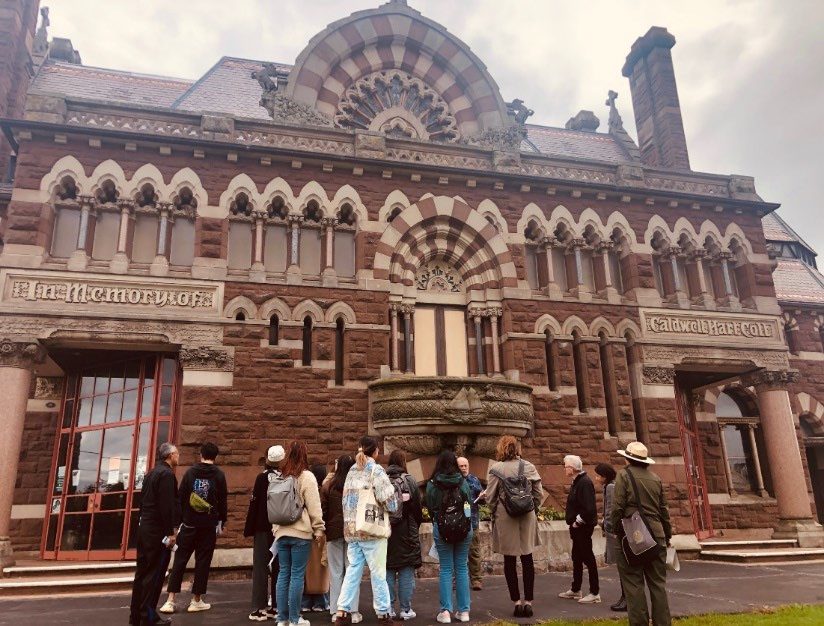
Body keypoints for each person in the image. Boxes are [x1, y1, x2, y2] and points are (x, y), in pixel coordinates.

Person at [334, 436, 399, 626]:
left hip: (352, 530)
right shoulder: (376, 470)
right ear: (376, 451)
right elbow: (389, 501)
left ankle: (341, 612)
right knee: (378, 573)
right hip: (372, 530)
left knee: (353, 571)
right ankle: (383, 614)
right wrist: (393, 504)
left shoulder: (352, 471)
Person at [159, 442, 227, 615]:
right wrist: (221, 522)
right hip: (208, 526)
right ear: (215, 456)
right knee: (203, 562)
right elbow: (223, 501)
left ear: (201, 454)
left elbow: (180, 499)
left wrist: (179, 522)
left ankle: (170, 600)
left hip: (189, 525)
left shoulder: (190, 473)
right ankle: (196, 600)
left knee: (180, 561)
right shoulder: (219, 475)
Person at [611, 442, 673, 626]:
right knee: (658, 584)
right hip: (658, 535)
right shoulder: (655, 478)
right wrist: (667, 536)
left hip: (633, 534)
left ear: (627, 458)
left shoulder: (624, 475)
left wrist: (616, 530)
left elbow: (617, 507)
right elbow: (664, 511)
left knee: (633, 583)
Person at [485, 436, 543, 618]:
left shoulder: (496, 469)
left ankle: (517, 602)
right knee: (527, 558)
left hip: (505, 516)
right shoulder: (529, 466)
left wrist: (495, 512)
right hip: (527, 515)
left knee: (509, 561)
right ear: (517, 448)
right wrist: (532, 507)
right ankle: (529, 602)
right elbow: (538, 493)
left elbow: (490, 497)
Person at [275, 441, 326, 626]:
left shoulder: (279, 476)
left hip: (281, 532)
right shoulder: (307, 477)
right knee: (297, 575)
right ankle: (295, 619)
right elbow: (314, 507)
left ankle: (282, 619)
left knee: (283, 575)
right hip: (301, 533)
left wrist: (276, 529)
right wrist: (318, 528)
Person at [129, 442, 180, 626]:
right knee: (155, 574)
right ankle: (148, 617)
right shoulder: (166, 475)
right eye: (176, 453)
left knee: (141, 573)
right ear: (170, 456)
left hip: (145, 528)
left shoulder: (151, 473)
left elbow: (143, 502)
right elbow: (167, 506)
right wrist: (171, 533)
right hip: (157, 531)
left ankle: (136, 616)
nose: (178, 457)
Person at [425, 450, 473, 624]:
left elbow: (430, 507)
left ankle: (445, 612)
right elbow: (468, 503)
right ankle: (464, 611)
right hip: (463, 528)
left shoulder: (432, 484)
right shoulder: (462, 482)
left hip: (442, 528)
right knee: (461, 567)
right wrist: (466, 522)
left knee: (445, 569)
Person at [244, 445, 285, 622]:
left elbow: (254, 504)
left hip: (262, 527)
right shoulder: (285, 478)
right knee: (278, 566)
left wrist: (249, 528)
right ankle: (276, 606)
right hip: (280, 527)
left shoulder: (261, 478)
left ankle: (259, 608)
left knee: (260, 567)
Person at [321, 455, 362, 624]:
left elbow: (322, 511)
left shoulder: (328, 486)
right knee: (352, 571)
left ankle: (335, 610)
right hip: (353, 533)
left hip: (333, 532)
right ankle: (353, 611)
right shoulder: (357, 485)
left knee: (336, 572)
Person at [386, 450, 423, 620]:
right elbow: (418, 508)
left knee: (388, 569)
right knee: (406, 569)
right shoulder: (409, 480)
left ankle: (388, 608)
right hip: (407, 529)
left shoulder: (382, 479)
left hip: (386, 531)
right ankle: (406, 609)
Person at [559, 454, 600, 604]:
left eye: (566, 466)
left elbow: (589, 508)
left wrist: (577, 522)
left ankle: (595, 592)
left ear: (572, 468)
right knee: (576, 557)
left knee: (588, 558)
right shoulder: (577, 482)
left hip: (582, 528)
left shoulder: (584, 483)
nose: (564, 469)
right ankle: (576, 589)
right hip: (577, 528)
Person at [594, 462, 625, 612]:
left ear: (604, 476)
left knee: (622, 565)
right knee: (620, 566)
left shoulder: (611, 487)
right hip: (612, 530)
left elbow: (611, 510)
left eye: (598, 475)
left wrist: (607, 526)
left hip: (614, 532)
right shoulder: (609, 486)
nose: (596, 478)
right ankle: (624, 597)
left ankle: (626, 598)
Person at [302, 462, 331, 613]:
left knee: (307, 569)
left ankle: (305, 602)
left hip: (306, 532)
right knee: (322, 568)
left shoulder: (306, 488)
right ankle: (321, 601)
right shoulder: (326, 489)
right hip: (322, 532)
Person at [456, 457, 484, 591]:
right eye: (461, 466)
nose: (463, 468)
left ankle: (476, 580)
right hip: (456, 523)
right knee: (457, 553)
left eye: (465, 465)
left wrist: (483, 497)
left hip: (472, 522)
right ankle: (457, 580)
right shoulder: (454, 481)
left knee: (474, 552)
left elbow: (482, 501)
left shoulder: (474, 480)